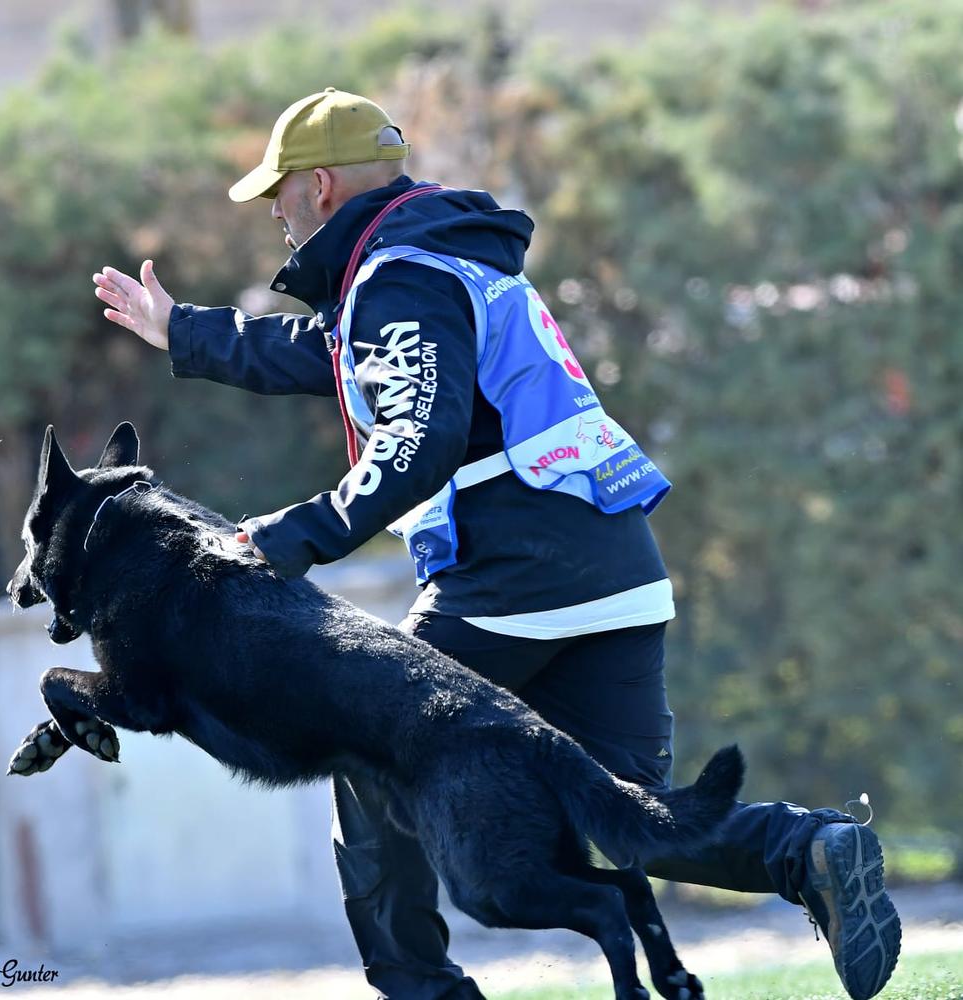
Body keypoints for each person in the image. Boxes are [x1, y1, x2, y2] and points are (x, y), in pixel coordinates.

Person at [93, 88, 901, 1000]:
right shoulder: (442, 262)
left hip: (514, 569)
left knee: (370, 753)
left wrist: (297, 534)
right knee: (628, 816)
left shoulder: (400, 277)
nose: (273, 212)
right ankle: (807, 850)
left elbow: (418, 439)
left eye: (276, 191)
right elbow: (329, 353)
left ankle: (421, 988)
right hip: (610, 567)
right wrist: (183, 330)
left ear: (318, 186)